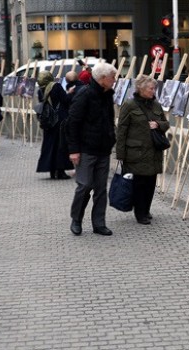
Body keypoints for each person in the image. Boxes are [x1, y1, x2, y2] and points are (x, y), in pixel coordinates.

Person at [67, 62, 117, 236]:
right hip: (86, 148)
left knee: (101, 188)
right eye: (112, 77)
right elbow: (72, 122)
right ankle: (76, 219)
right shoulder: (85, 94)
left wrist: (112, 137)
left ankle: (99, 223)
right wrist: (74, 150)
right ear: (102, 78)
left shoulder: (108, 94)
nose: (115, 81)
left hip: (103, 148)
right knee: (84, 185)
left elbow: (109, 119)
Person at [116, 75, 170, 224]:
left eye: (154, 88)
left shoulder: (156, 105)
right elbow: (121, 130)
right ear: (141, 88)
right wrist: (120, 153)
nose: (154, 91)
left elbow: (166, 124)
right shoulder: (129, 105)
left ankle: (146, 209)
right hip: (136, 152)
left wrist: (158, 125)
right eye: (151, 88)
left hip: (153, 152)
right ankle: (140, 213)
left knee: (151, 183)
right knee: (139, 184)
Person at [36, 71, 73, 179]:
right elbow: (65, 100)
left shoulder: (40, 90)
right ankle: (60, 171)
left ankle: (52, 171)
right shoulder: (56, 86)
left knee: (50, 145)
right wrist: (70, 93)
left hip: (48, 121)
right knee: (60, 146)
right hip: (59, 120)